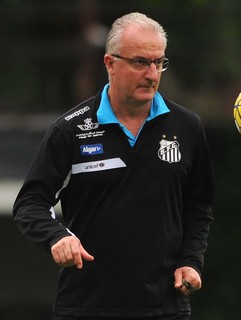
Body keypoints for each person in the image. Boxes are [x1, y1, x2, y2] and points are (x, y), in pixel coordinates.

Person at [13, 12, 215, 320]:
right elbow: (30, 203)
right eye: (140, 62)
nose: (152, 74)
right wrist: (57, 236)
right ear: (110, 64)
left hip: (165, 309)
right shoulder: (70, 129)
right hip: (85, 307)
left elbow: (198, 205)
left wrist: (191, 261)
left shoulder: (187, 126)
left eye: (158, 62)